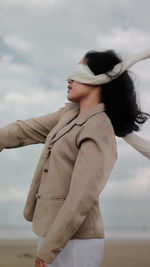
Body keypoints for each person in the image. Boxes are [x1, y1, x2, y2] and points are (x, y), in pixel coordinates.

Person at [0, 49, 150, 267]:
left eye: (79, 71)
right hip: (52, 233)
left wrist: (50, 248)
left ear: (98, 79)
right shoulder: (69, 115)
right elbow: (24, 130)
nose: (69, 78)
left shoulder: (99, 127)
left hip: (76, 243)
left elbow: (81, 197)